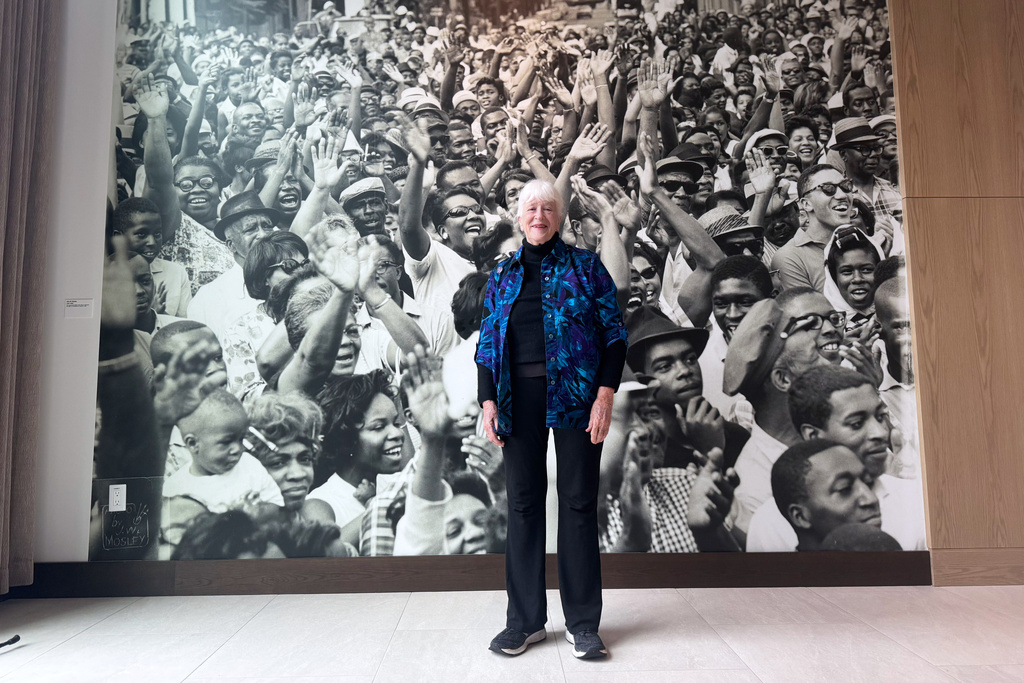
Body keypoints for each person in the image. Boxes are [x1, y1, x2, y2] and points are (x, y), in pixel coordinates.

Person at [476, 179, 627, 659]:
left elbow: (615, 337)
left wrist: (604, 395)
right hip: (516, 398)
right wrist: (488, 402)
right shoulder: (500, 275)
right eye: (530, 208)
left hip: (578, 397)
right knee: (522, 504)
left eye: (547, 208)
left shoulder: (587, 268)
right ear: (517, 217)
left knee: (579, 502)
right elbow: (486, 346)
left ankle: (583, 624)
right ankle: (524, 622)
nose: (538, 215)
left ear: (560, 216)